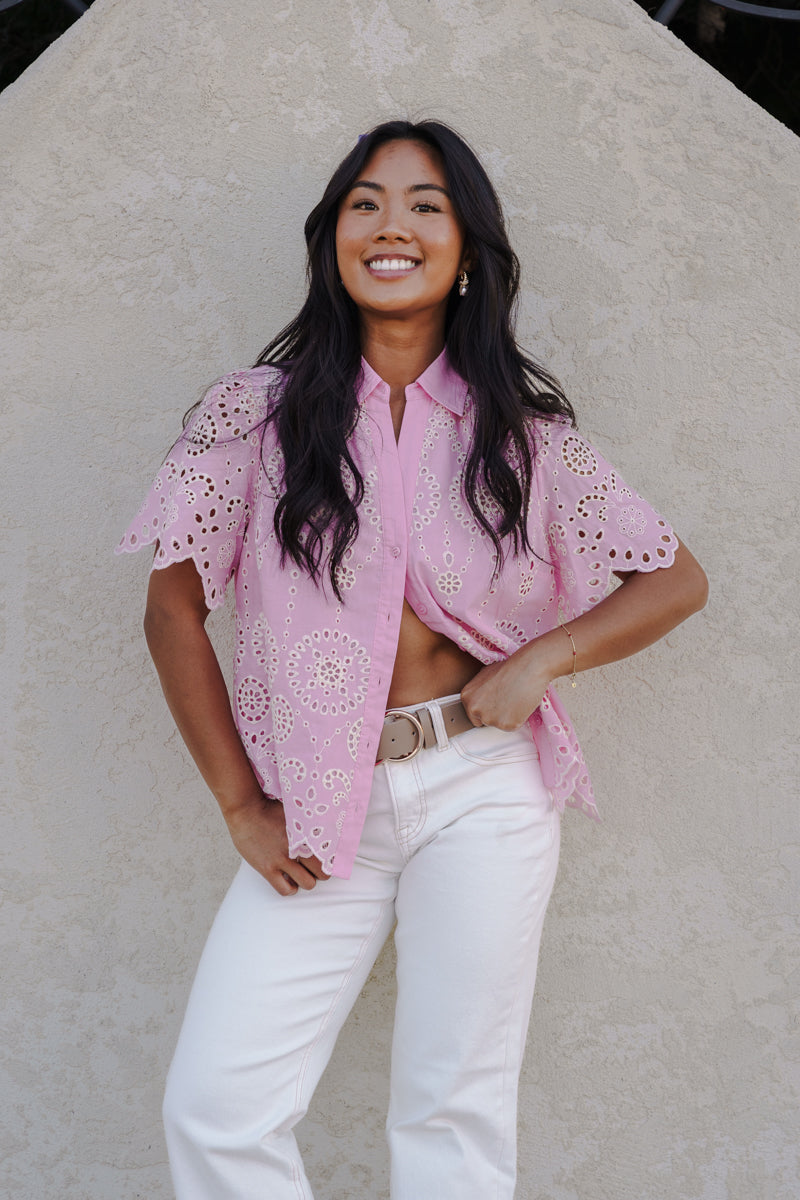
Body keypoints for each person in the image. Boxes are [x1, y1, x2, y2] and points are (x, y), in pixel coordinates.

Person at [117, 119, 708, 1200]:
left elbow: (674, 580)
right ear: (331, 240)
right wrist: (238, 804)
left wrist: (544, 660)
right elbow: (170, 611)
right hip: (311, 803)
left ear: (466, 251)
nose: (392, 225)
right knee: (216, 1106)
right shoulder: (247, 417)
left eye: (425, 205)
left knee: (451, 1108)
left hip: (482, 788)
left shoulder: (519, 436)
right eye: (365, 203)